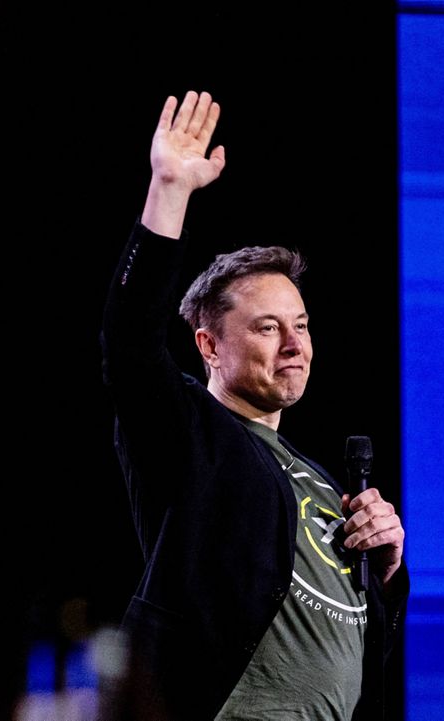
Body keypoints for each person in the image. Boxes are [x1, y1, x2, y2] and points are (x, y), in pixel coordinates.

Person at [100, 90, 407, 721]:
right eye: (268, 328)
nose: (295, 345)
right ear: (209, 345)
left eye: (302, 325)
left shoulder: (318, 481)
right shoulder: (189, 433)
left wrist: (387, 570)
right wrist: (170, 189)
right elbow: (129, 341)